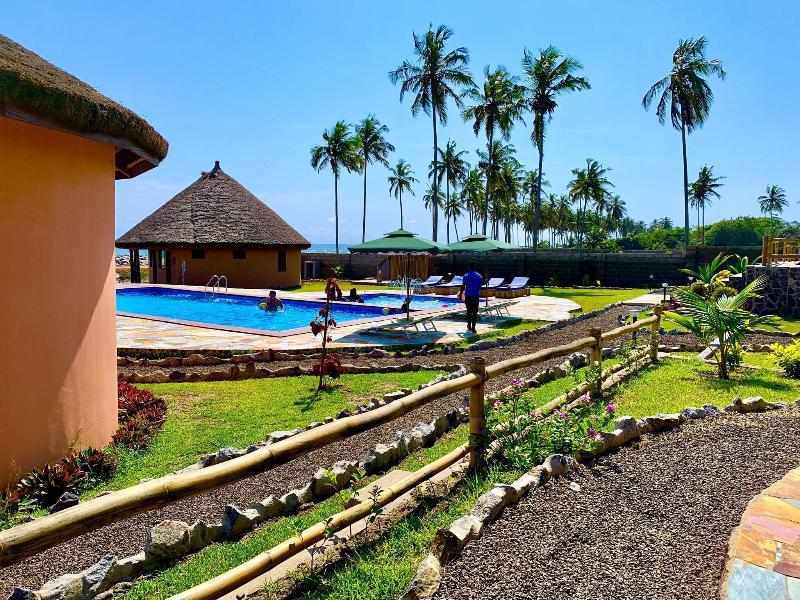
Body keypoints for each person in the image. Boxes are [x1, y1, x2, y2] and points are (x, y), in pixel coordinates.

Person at [458, 262, 483, 334]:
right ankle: (473, 328)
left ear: (469, 267)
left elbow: (463, 286)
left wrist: (460, 294)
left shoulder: (466, 276)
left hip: (468, 296)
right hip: (475, 296)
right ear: (475, 267)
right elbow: (480, 286)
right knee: (475, 312)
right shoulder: (479, 276)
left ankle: (469, 326)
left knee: (469, 311)